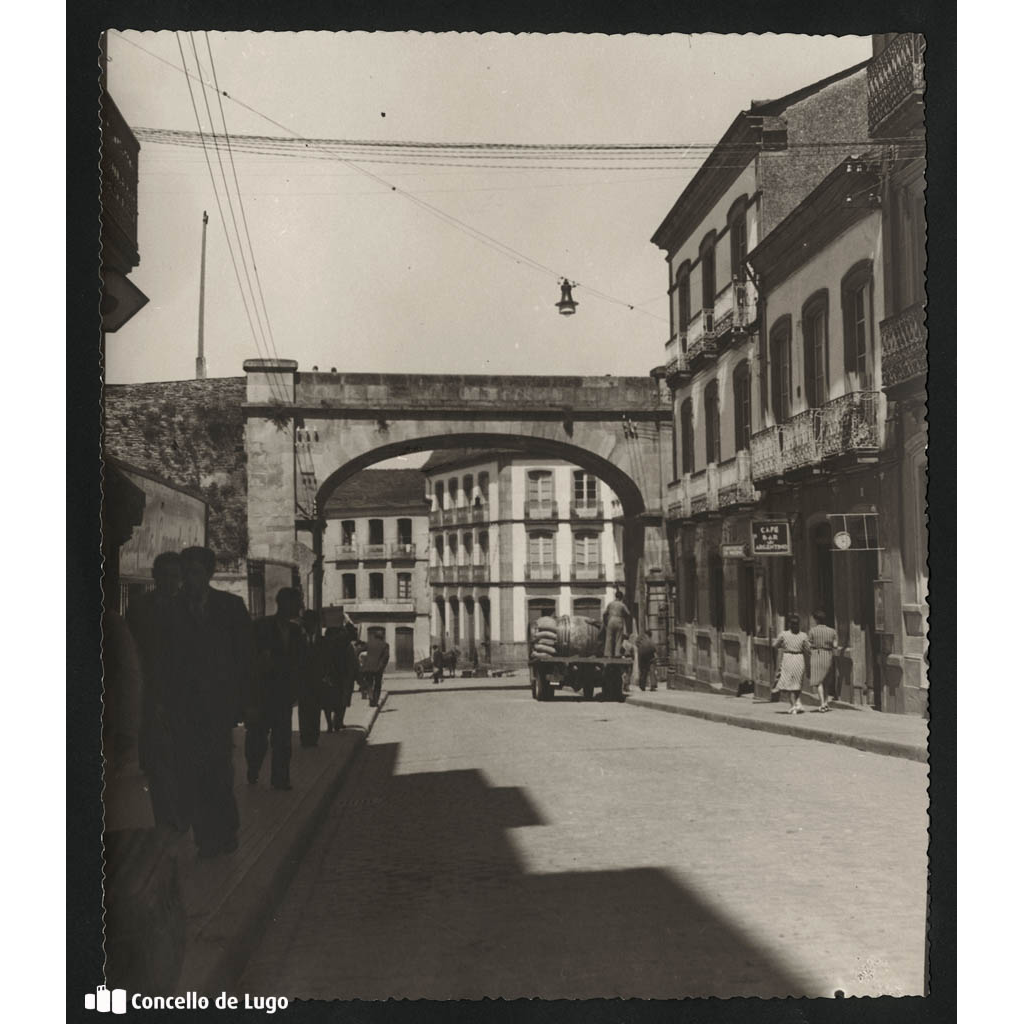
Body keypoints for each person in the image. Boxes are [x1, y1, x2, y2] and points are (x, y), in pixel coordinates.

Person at [168, 546, 252, 858]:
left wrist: (245, 704)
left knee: (219, 771)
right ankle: (205, 838)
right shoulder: (172, 609)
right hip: (185, 709)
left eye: (195, 572)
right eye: (185, 573)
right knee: (193, 774)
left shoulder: (230, 606)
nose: (190, 580)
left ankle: (226, 833)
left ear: (208, 574)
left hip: (219, 707)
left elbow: (246, 658)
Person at [125, 551, 186, 831]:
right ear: (154, 576)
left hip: (182, 698)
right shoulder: (138, 608)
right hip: (150, 695)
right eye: (165, 576)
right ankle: (165, 818)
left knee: (181, 760)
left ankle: (179, 815)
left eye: (176, 576)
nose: (171, 582)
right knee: (156, 762)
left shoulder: (189, 608)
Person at [246, 587, 303, 792]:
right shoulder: (261, 626)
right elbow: (249, 659)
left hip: (283, 695)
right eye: (297, 603)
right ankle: (253, 769)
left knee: (283, 739)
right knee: (257, 738)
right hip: (261, 693)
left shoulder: (297, 631)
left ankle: (280, 779)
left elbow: (299, 662)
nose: (300, 607)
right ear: (284, 603)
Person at [298, 609, 328, 747]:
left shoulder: (322, 642)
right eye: (306, 623)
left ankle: (314, 737)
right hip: (303, 682)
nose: (308, 626)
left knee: (315, 710)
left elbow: (327, 662)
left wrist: (325, 676)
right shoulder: (298, 640)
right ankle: (305, 738)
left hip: (317, 682)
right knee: (304, 709)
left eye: (311, 623)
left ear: (316, 624)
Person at [772, 613, 812, 715]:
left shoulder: (783, 634)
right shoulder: (803, 635)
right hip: (799, 658)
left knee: (789, 683)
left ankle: (793, 705)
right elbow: (808, 649)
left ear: (789, 624)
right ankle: (797, 703)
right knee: (797, 682)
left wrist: (784, 645)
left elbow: (775, 645)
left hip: (788, 658)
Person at [808, 608, 840, 712]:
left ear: (816, 619)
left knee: (818, 681)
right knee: (826, 680)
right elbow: (835, 646)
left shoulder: (812, 631)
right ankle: (826, 702)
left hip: (816, 654)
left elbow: (808, 645)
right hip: (828, 655)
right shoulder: (832, 631)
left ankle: (822, 703)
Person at [362, 632, 391, 708]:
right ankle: (375, 701)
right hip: (378, 668)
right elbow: (386, 657)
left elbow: (359, 650)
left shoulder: (369, 643)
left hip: (367, 667)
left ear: (375, 636)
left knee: (369, 683)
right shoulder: (385, 645)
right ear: (382, 637)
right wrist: (382, 666)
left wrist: (361, 662)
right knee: (377, 684)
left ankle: (371, 697)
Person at [603, 590, 633, 657]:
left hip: (611, 620)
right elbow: (628, 613)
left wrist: (605, 622)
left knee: (609, 638)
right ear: (621, 597)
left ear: (615, 596)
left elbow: (604, 614)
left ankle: (607, 654)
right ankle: (617, 654)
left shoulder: (610, 604)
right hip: (619, 620)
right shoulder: (622, 605)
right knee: (618, 638)